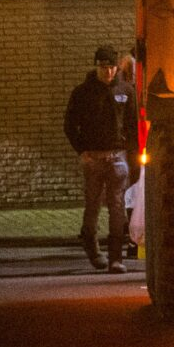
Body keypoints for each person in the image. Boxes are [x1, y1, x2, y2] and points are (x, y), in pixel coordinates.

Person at [64, 45, 134, 271]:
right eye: (104, 67)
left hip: (117, 156)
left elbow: (133, 126)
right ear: (96, 67)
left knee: (116, 207)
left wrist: (131, 154)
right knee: (93, 205)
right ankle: (93, 250)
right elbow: (69, 125)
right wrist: (82, 150)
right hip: (93, 157)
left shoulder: (126, 91)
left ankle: (116, 259)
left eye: (112, 67)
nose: (108, 72)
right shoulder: (82, 93)